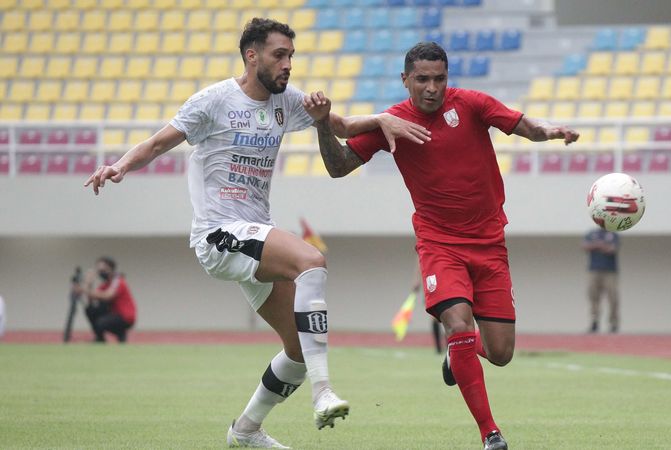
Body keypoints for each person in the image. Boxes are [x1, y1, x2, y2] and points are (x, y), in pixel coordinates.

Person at [84, 18, 430, 449]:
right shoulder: (214, 101)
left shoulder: (288, 101)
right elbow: (158, 143)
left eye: (291, 56)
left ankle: (245, 430)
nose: (288, 65)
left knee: (299, 350)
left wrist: (382, 120)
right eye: (279, 55)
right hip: (218, 233)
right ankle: (324, 393)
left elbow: (340, 125)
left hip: (253, 235)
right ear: (252, 56)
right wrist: (118, 166)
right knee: (311, 261)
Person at [313, 42, 579, 450]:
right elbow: (338, 167)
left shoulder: (471, 104)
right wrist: (318, 125)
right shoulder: (391, 122)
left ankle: (459, 356)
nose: (432, 87)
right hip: (440, 244)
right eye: (422, 79)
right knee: (459, 323)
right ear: (406, 81)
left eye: (439, 78)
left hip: (490, 244)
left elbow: (525, 125)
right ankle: (491, 433)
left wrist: (550, 131)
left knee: (502, 352)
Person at [72, 257, 137, 343]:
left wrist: (83, 289)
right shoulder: (105, 285)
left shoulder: (118, 280)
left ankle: (119, 333)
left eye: (103, 269)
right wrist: (88, 284)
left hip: (125, 317)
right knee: (91, 310)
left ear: (111, 269)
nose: (100, 272)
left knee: (101, 322)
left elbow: (107, 295)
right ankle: (102, 338)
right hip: (113, 315)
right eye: (99, 270)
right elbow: (92, 299)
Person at [582, 229, 620, 334]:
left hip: (610, 271)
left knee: (613, 297)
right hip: (594, 270)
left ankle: (613, 324)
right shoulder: (591, 233)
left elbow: (612, 249)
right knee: (593, 297)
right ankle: (594, 322)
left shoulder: (613, 234)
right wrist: (600, 245)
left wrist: (599, 246)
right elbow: (585, 247)